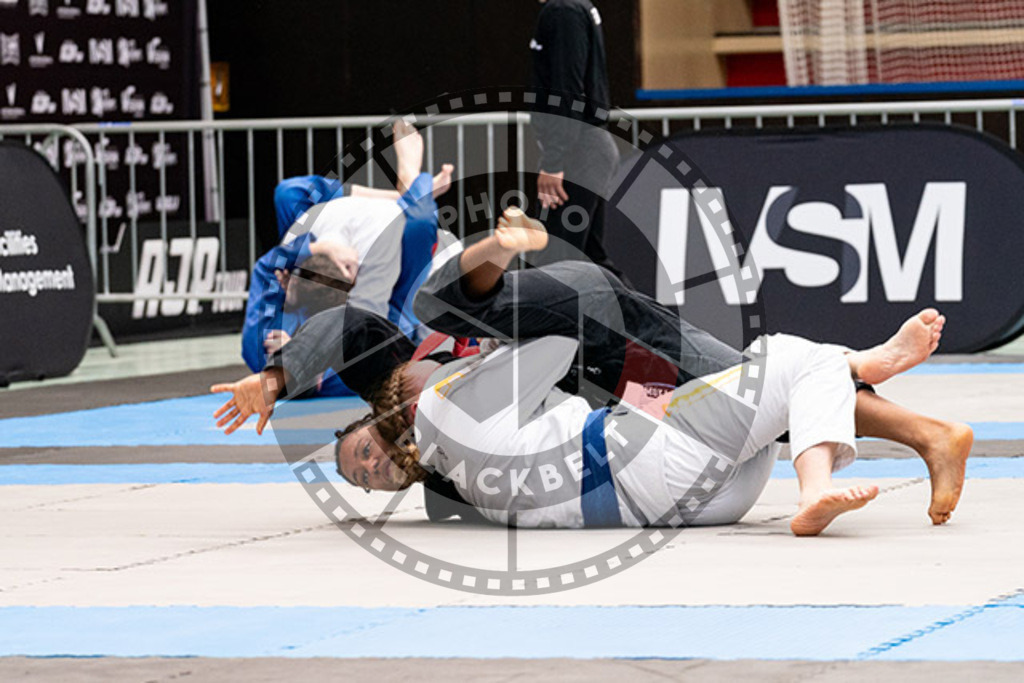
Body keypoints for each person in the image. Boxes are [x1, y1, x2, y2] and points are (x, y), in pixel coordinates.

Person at [212, 212, 972, 533]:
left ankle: (500, 247)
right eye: (369, 478)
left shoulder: (394, 377)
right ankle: (921, 426)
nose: (374, 466)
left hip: (574, 325)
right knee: (764, 380)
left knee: (437, 299)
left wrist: (275, 381)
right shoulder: (440, 480)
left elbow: (346, 325)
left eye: (362, 452)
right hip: (602, 397)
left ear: (371, 417)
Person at [241, 121, 454, 396]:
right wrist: (297, 357)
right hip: (389, 305)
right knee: (419, 223)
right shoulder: (366, 341)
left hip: (332, 273)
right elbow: (373, 344)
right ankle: (411, 187)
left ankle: (403, 196)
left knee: (288, 193)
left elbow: (265, 268)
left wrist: (316, 250)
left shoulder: (267, 333)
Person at [529, 0, 623, 279]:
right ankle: (645, 322)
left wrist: (554, 161)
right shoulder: (574, 7)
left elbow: (567, 90)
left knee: (555, 266)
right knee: (591, 260)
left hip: (579, 149)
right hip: (586, 146)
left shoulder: (563, 11)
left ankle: (649, 322)